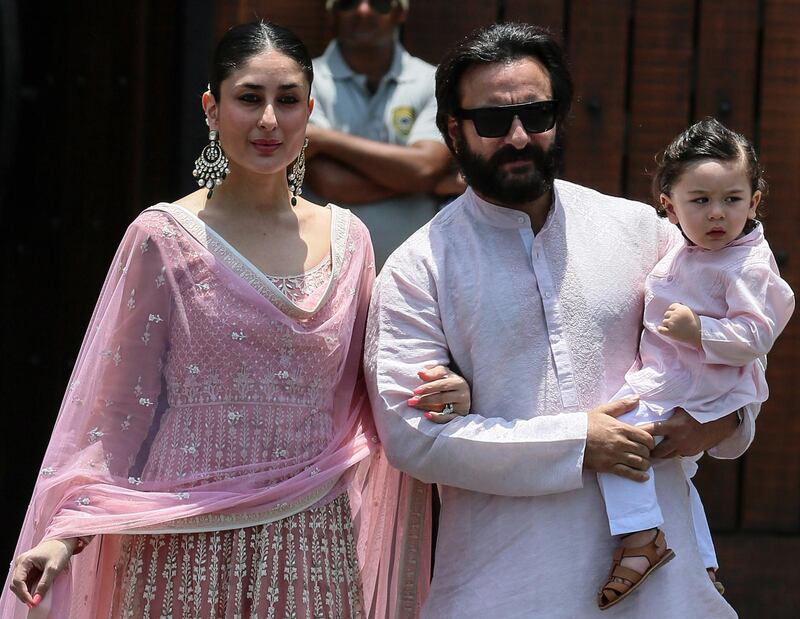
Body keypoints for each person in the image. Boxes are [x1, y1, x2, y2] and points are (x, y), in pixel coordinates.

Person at [2, 21, 469, 619]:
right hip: (180, 540)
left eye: (288, 100)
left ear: (310, 110)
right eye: (249, 98)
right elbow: (118, 410)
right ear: (212, 108)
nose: (269, 120)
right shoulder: (163, 237)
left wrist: (444, 388)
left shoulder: (350, 241)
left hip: (311, 541)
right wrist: (65, 534)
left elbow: (370, 389)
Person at [364, 22, 764, 617]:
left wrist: (716, 425)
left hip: (661, 584)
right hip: (503, 583)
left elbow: (736, 355)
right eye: (494, 122)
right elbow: (415, 438)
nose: (519, 137)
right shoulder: (420, 268)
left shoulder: (642, 233)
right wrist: (582, 442)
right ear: (455, 129)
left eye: (538, 114)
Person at [594, 118, 794, 609]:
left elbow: (756, 335)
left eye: (732, 199)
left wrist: (698, 331)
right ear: (669, 205)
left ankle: (641, 538)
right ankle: (704, 563)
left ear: (755, 202)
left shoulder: (743, 263)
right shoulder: (679, 242)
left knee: (617, 439)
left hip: (696, 383)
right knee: (678, 472)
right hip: (677, 377)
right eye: (699, 201)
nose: (717, 215)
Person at [303, 0, 461, 269]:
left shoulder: (434, 81)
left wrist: (325, 139)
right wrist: (425, 183)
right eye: (347, 2)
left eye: (380, 3)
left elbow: (425, 167)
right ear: (332, 15)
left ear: (400, 13)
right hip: (325, 277)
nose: (363, 11)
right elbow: (327, 181)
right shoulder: (302, 81)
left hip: (416, 278)